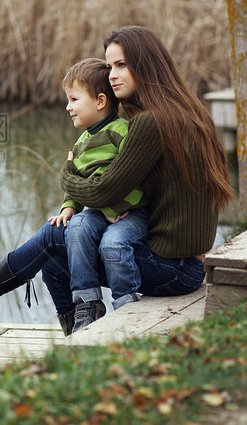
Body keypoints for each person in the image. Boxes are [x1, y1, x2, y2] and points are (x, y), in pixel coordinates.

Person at [0, 25, 234, 335]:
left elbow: (102, 190)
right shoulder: (187, 110)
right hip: (186, 264)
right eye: (110, 66)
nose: (112, 75)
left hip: (174, 272)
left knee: (53, 237)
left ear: (147, 64)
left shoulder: (150, 123)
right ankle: (75, 334)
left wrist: (68, 172)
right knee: (57, 255)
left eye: (121, 65)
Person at [47, 58, 148, 333]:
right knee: (76, 227)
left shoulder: (122, 132)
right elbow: (76, 182)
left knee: (112, 245)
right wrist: (69, 207)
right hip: (100, 210)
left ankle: (127, 306)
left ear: (101, 101)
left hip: (130, 213)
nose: (68, 107)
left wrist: (111, 205)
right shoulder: (81, 142)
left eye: (74, 99)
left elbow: (130, 177)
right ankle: (87, 301)